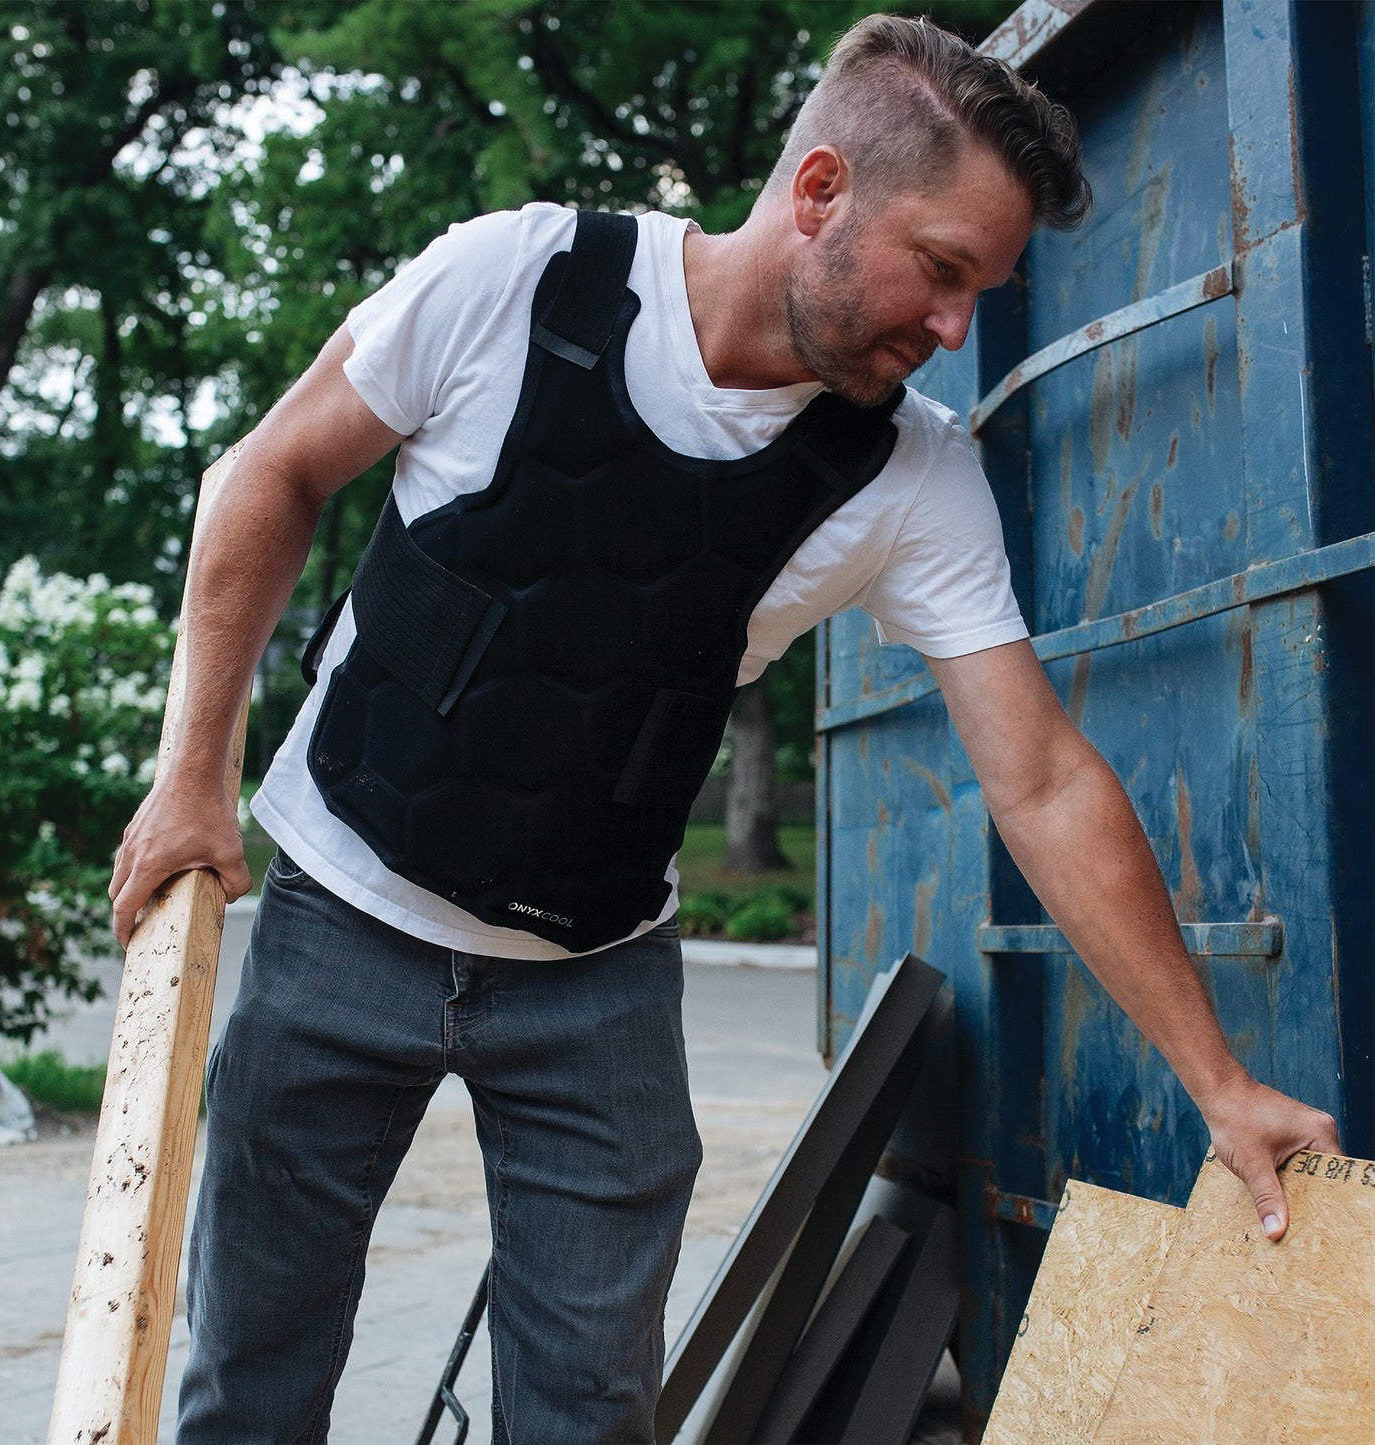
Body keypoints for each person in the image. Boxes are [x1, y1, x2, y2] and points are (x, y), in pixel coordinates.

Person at [109, 13, 1339, 1441]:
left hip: (593, 980)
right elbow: (266, 472)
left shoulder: (909, 475)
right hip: (341, 909)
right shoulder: (518, 277)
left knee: (586, 1412)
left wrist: (1221, 1081)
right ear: (817, 192)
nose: (953, 329)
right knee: (247, 1382)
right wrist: (191, 776)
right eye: (942, 271)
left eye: (979, 291)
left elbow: (1045, 778)